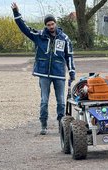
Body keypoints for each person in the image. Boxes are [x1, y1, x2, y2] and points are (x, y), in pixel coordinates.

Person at [11, 2, 75, 135]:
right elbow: (24, 28)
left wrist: (72, 71)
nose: (51, 26)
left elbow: (69, 56)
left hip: (59, 74)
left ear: (55, 23)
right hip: (43, 74)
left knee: (61, 103)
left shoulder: (65, 39)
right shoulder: (39, 36)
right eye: (48, 24)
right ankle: (43, 125)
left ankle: (61, 125)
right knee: (44, 101)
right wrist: (16, 13)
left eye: (52, 24)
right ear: (45, 25)